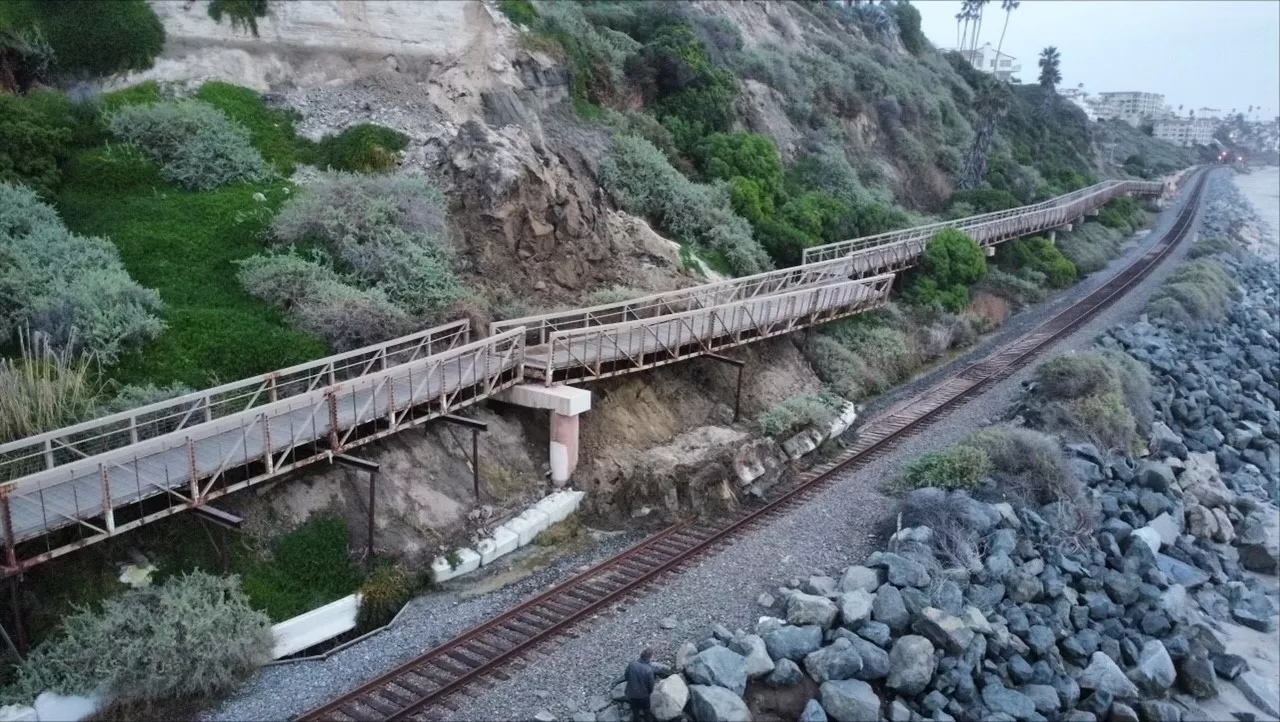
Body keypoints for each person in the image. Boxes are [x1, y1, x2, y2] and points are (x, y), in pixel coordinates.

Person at [624, 647, 656, 722]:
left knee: (635, 712)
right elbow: (651, 684)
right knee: (646, 711)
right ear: (649, 657)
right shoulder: (648, 669)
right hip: (643, 695)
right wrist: (649, 692)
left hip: (632, 693)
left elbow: (626, 676)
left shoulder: (632, 664)